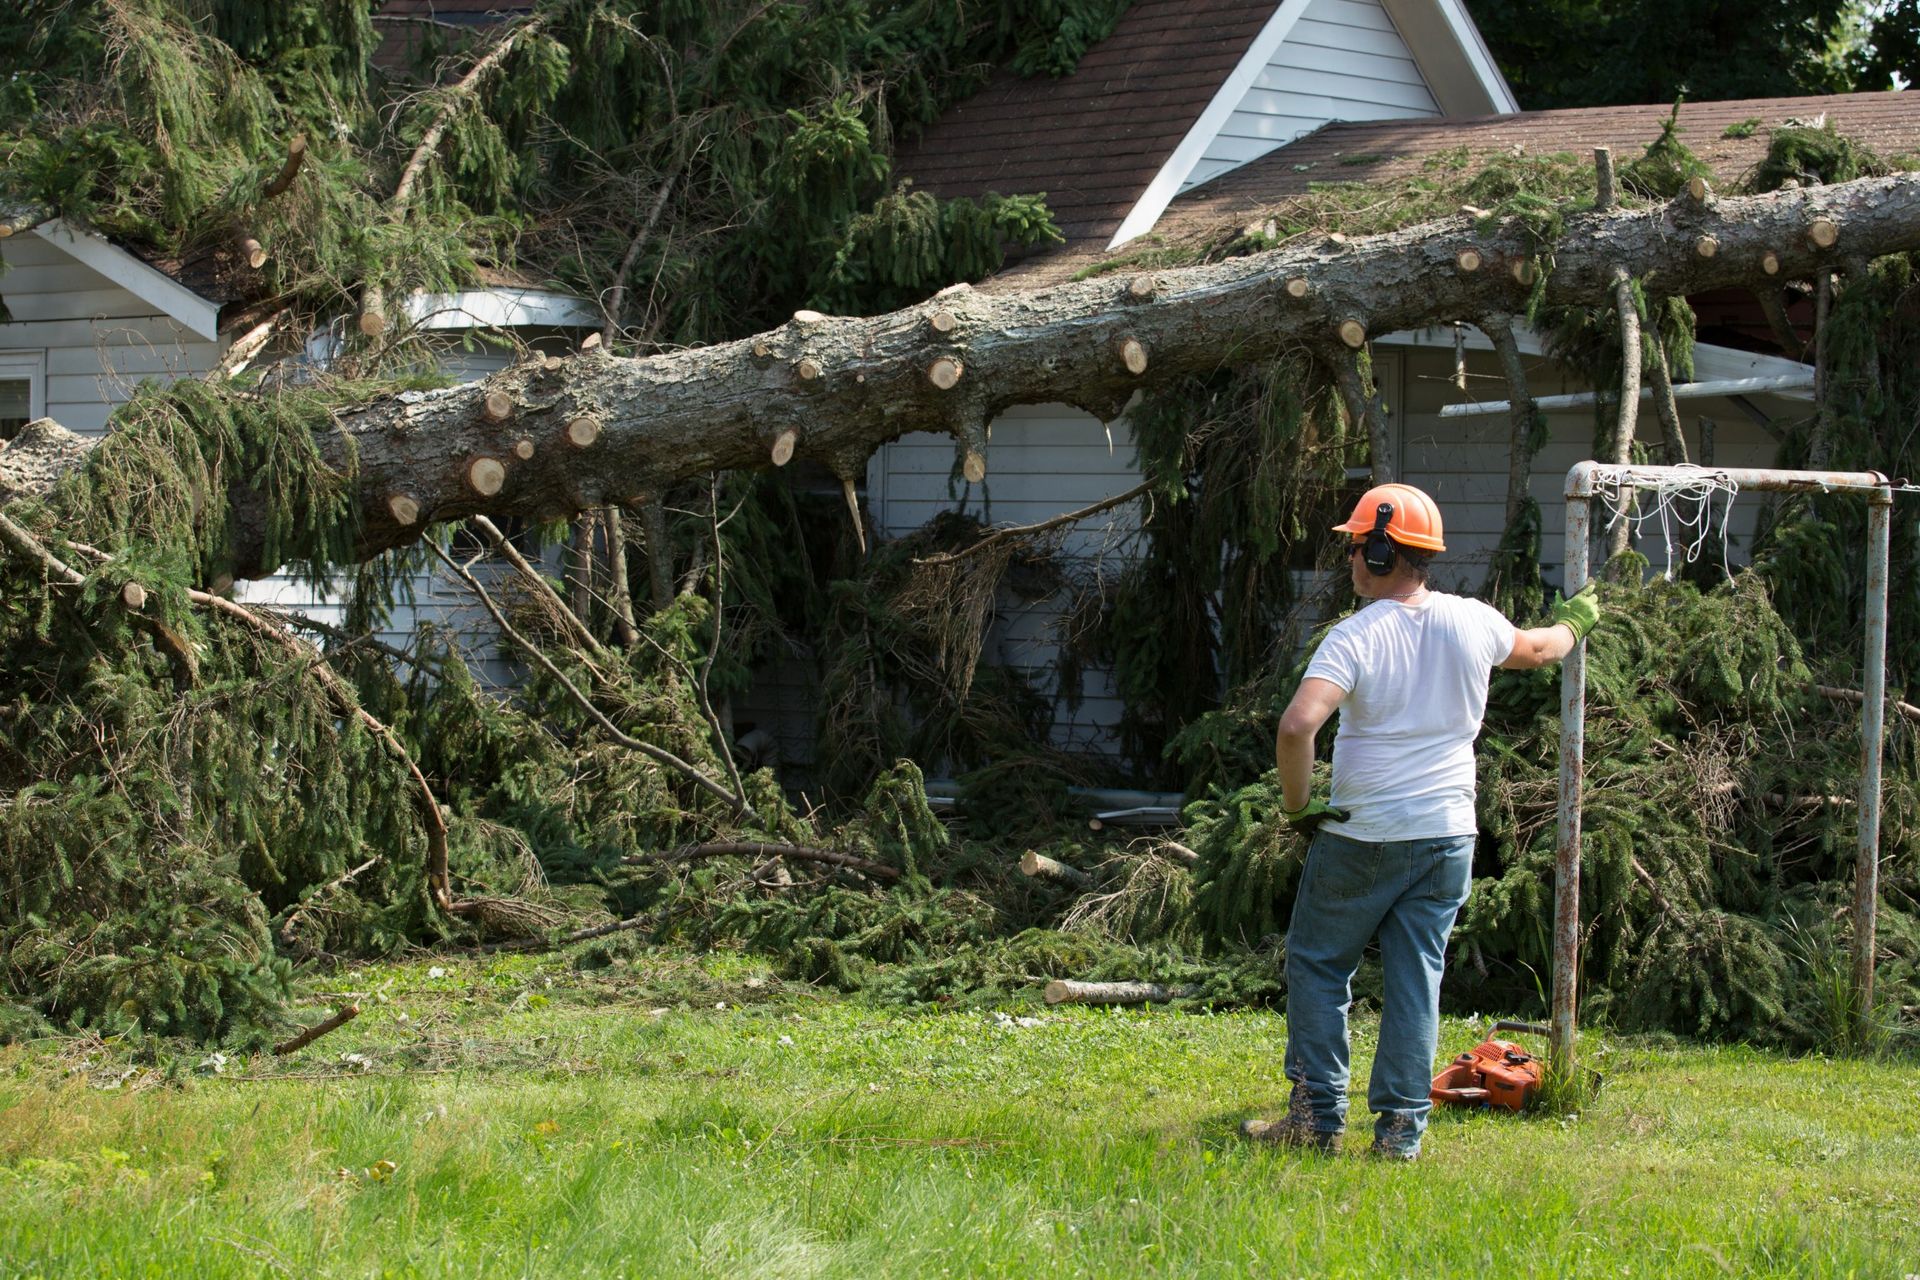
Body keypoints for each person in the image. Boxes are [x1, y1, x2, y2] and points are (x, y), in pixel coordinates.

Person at [1241, 482, 1598, 1160]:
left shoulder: (1354, 637)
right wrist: (1576, 622)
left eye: (1353, 546)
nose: (1349, 559)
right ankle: (1401, 1135)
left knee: (1319, 966)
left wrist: (1296, 806)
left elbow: (1296, 727)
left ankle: (1316, 1120)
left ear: (1378, 552)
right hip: (1447, 837)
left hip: (1363, 835)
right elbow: (1543, 650)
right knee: (1415, 978)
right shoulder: (1473, 620)